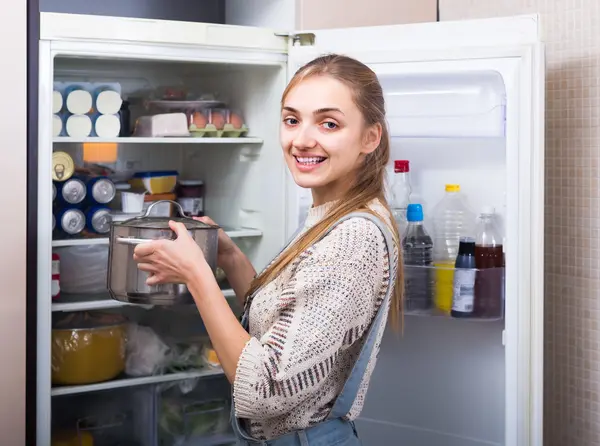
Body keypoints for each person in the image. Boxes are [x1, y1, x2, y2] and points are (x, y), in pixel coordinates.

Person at [133, 54, 403, 446]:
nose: (302, 139)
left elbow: (263, 392)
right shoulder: (332, 214)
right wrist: (229, 257)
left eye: (329, 123)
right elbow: (282, 330)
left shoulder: (352, 238)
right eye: (292, 120)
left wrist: (197, 275)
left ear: (370, 137)